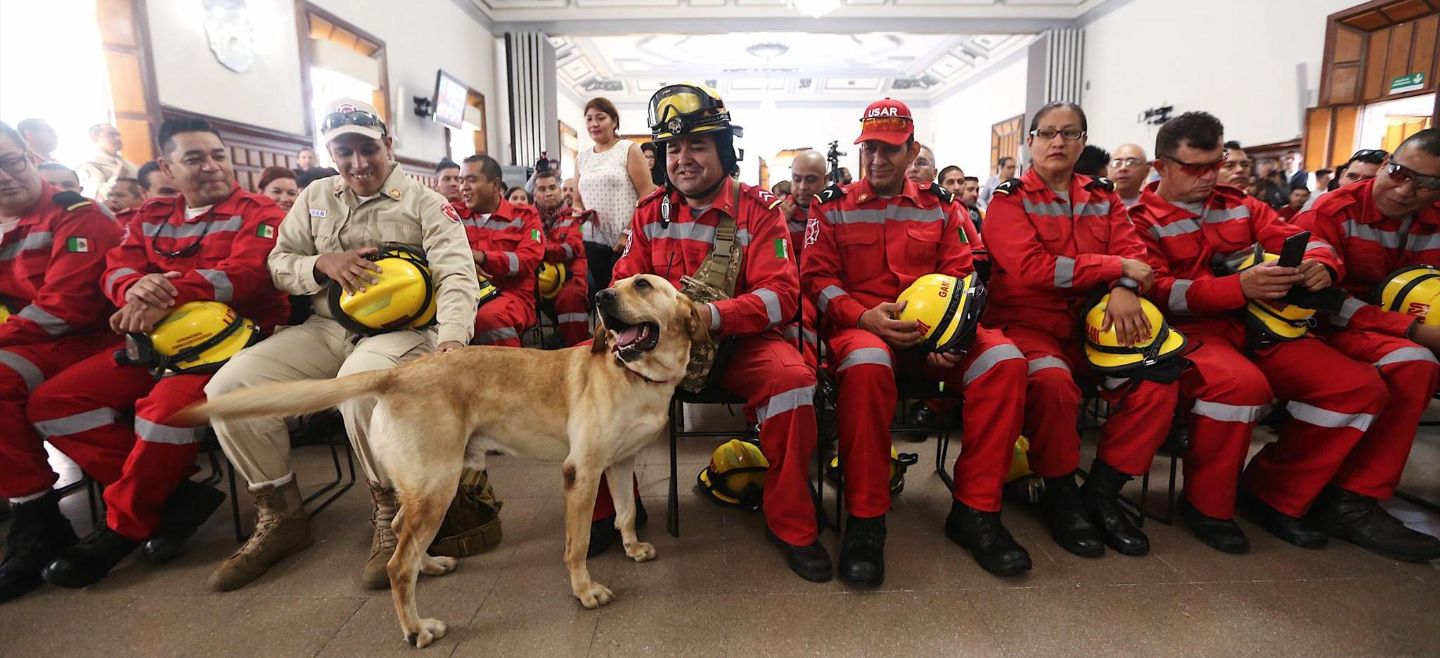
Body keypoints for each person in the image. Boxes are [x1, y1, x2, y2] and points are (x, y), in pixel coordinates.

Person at [203, 98, 480, 592]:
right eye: (343, 151)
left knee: (361, 387)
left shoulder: (425, 201)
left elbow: (457, 273)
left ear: (388, 146)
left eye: (368, 148)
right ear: (329, 152)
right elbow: (279, 262)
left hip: (405, 331)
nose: (358, 163)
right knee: (231, 386)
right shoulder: (314, 197)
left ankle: (392, 513)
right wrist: (320, 264)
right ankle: (280, 514)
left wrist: (454, 341)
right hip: (329, 327)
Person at [26, 118, 288, 590]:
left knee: (163, 411)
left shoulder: (259, 209)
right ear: (167, 167)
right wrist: (131, 289)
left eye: (218, 156)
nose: (211, 167)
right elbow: (115, 268)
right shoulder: (152, 214)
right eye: (194, 159)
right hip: (152, 343)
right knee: (54, 402)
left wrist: (157, 290)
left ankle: (126, 523)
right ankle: (169, 497)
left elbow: (247, 276)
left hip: (231, 345)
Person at [593, 83, 832, 584]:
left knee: (792, 383)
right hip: (654, 351)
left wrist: (712, 317)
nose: (683, 159)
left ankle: (791, 523)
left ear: (724, 151)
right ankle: (609, 514)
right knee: (587, 380)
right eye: (673, 148)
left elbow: (782, 296)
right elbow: (621, 286)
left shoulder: (759, 210)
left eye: (698, 145)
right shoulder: (648, 213)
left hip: (739, 345)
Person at [1131, 111, 1383, 555]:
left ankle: (1276, 492)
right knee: (1238, 387)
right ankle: (1208, 506)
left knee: (1358, 388)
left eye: (1217, 163)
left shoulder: (1244, 205)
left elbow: (1301, 237)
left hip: (1266, 327)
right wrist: (1235, 287)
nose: (1210, 177)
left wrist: (1321, 265)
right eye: (1195, 168)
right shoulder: (1138, 219)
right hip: (1191, 333)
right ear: (1162, 167)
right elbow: (1158, 292)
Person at [803, 98, 1029, 582]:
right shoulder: (832, 207)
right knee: (866, 366)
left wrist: (959, 337)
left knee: (1005, 361)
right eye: (870, 150)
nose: (877, 160)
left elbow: (963, 276)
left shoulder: (942, 208)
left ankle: (976, 511)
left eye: (889, 150)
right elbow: (816, 281)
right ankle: (865, 519)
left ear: (912, 151)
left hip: (935, 338)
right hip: (863, 331)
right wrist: (862, 316)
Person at [984, 102, 1178, 559]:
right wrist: (1115, 269)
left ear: (1083, 143)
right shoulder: (1009, 199)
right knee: (1054, 385)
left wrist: (1126, 286)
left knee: (1158, 380)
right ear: (1029, 141)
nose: (1058, 142)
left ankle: (1103, 489)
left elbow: (1136, 256)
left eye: (1070, 134)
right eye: (1047, 133)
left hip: (1101, 321)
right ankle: (1061, 494)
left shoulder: (1103, 195)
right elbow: (1031, 269)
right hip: (1029, 322)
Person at [1293, 128, 1440, 562]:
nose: (1406, 190)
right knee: (1414, 363)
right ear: (1385, 164)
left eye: (1427, 185)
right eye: (1399, 173)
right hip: (1323, 325)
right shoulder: (1331, 209)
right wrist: (1411, 331)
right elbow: (1318, 298)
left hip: (1394, 327)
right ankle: (1352, 499)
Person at [0, 122, 124, 602]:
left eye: (12, 161)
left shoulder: (76, 215)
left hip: (87, 339)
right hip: (22, 342)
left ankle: (37, 520)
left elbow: (64, 309)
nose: (6, 176)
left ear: (30, 156)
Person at [455, 154, 543, 347]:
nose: (463, 188)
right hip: (462, 293)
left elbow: (527, 259)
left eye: (471, 180)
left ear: (495, 185)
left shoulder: (524, 217)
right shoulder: (454, 215)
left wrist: (482, 258)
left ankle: (511, 375)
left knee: (489, 319)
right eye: (461, 181)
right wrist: (467, 263)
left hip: (511, 295)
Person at [576, 97, 654, 302]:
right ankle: (607, 335)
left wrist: (627, 232)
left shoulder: (628, 149)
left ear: (614, 121)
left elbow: (646, 195)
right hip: (593, 240)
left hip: (627, 238)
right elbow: (577, 199)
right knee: (602, 297)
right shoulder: (582, 157)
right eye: (589, 119)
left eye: (600, 118)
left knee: (627, 299)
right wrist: (578, 213)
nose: (594, 124)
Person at [532, 167, 591, 346]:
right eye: (542, 189)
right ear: (534, 194)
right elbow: (526, 250)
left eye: (552, 188)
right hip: (536, 278)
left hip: (571, 277)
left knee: (571, 298)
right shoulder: (527, 218)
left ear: (560, 190)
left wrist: (540, 250)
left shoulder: (575, 217)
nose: (548, 193)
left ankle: (577, 348)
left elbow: (571, 248)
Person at [76, 123, 139, 199]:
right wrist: (116, 177)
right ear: (96, 139)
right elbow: (96, 198)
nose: (118, 138)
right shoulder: (89, 166)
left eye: (118, 135)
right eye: (111, 135)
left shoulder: (132, 165)